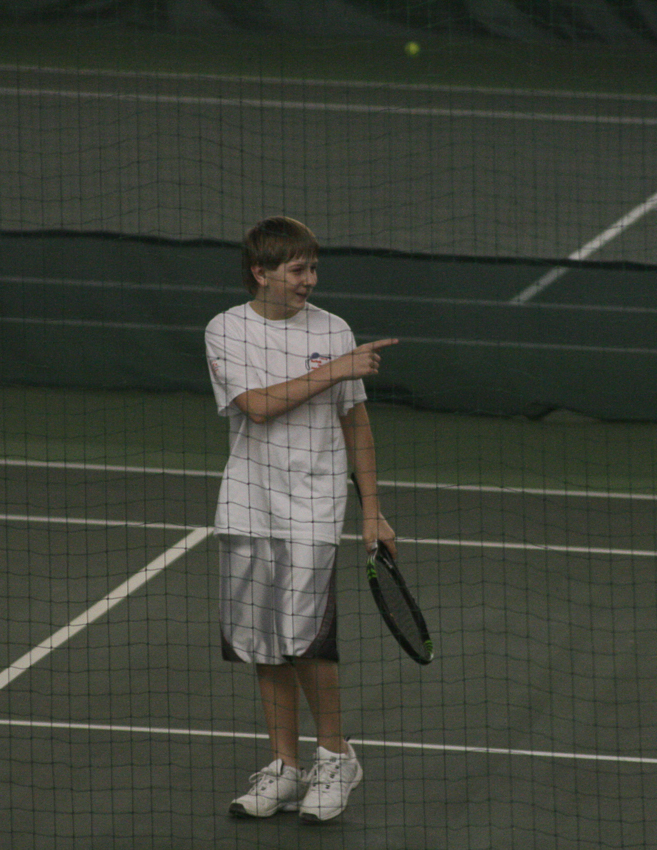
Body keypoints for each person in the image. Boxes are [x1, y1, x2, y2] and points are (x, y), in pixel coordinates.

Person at [204, 216, 398, 823]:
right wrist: (335, 370)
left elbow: (355, 426)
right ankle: (285, 767)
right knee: (263, 644)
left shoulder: (334, 330)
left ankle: (335, 757)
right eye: (297, 270)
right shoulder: (226, 330)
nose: (309, 280)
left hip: (313, 509)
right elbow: (256, 408)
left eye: (313, 268)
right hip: (246, 505)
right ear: (261, 272)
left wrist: (373, 510)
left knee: (308, 641)